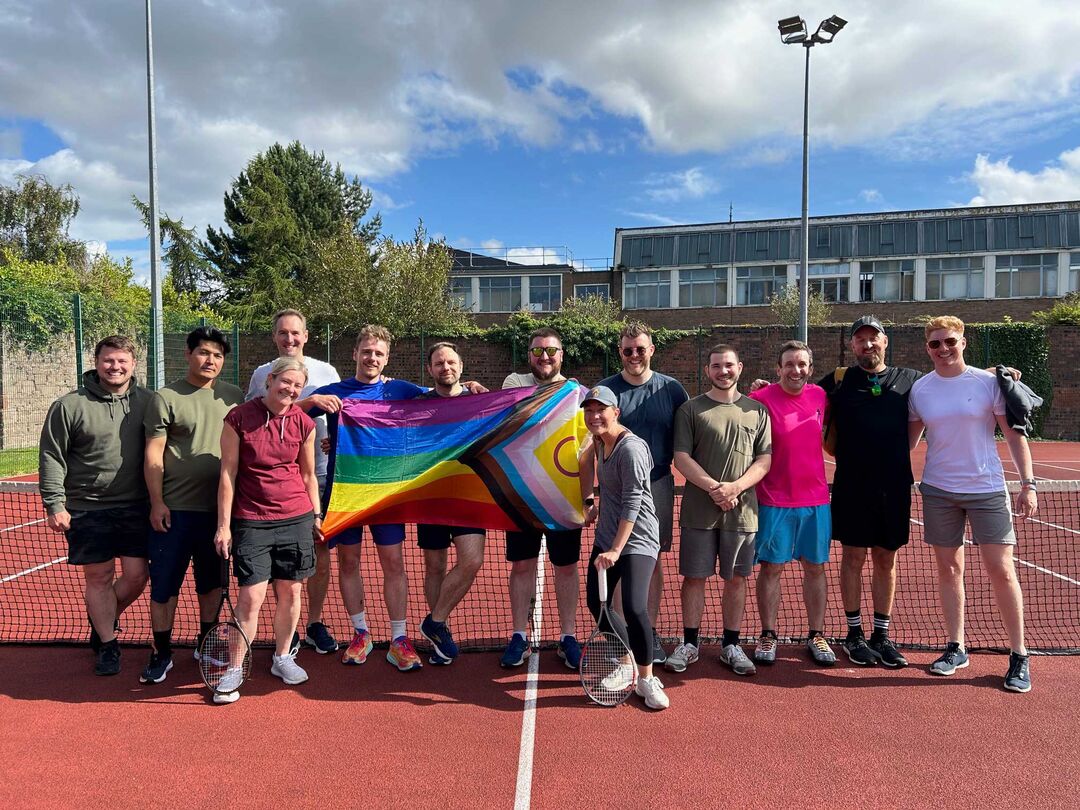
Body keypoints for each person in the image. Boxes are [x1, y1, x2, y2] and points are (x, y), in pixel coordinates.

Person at [908, 316, 1037, 693]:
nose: (943, 349)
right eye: (935, 344)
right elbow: (908, 442)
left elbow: (1015, 437)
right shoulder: (921, 389)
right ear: (927, 348)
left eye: (950, 341)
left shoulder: (988, 383)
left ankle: (1019, 655)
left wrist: (1027, 484)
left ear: (963, 342)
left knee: (1002, 570)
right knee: (949, 569)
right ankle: (956, 647)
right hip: (938, 490)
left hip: (987, 489)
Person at [308, 325, 429, 672]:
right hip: (344, 491)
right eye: (366, 351)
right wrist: (312, 401)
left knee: (394, 564)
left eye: (378, 353)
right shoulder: (334, 393)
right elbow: (289, 414)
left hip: (385, 494)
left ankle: (399, 639)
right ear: (355, 354)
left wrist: (472, 389)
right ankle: (360, 634)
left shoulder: (400, 390)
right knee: (349, 563)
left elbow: (445, 400)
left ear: (387, 358)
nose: (371, 357)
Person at [39, 336, 153, 676]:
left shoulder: (148, 402)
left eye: (122, 361)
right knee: (100, 577)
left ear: (133, 364)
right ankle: (107, 643)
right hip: (87, 508)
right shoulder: (69, 405)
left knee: (137, 576)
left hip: (136, 506)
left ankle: (103, 618)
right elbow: (51, 455)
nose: (115, 367)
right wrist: (54, 503)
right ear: (96, 361)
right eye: (108, 360)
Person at [214, 357, 321, 703]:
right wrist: (224, 526)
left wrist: (316, 516)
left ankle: (281, 657)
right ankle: (234, 668)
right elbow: (228, 474)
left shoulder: (304, 423)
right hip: (252, 520)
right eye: (284, 382)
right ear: (270, 379)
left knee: (291, 593)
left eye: (297, 387)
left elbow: (307, 475)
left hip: (296, 518)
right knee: (251, 597)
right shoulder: (238, 418)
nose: (289, 390)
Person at [141, 326, 244, 684]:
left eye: (217, 355)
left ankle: (206, 641)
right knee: (164, 586)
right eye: (203, 352)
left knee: (211, 585)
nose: (210, 360)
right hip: (174, 511)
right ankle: (162, 651)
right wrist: (157, 502)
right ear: (188, 354)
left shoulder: (234, 397)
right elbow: (154, 453)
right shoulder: (165, 396)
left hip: (220, 514)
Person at [821, 316, 918, 668]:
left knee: (886, 558)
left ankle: (881, 635)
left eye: (873, 339)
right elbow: (796, 393)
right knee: (853, 558)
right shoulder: (837, 381)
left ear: (885, 341)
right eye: (860, 340)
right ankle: (853, 634)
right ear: (852, 346)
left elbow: (953, 381)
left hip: (894, 487)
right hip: (852, 485)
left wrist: (996, 376)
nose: (867, 345)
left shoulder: (910, 380)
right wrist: (761, 386)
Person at [669, 344, 771, 676]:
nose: (722, 371)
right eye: (716, 366)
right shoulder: (689, 410)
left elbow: (764, 459)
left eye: (728, 365)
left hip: (742, 513)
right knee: (694, 578)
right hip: (699, 511)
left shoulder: (757, 411)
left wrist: (735, 488)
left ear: (739, 367)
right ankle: (690, 644)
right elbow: (681, 457)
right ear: (707, 370)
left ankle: (731, 645)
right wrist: (715, 488)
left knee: (737, 579)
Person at [247, 309, 341, 655]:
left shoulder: (326, 371)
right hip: (276, 480)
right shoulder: (262, 374)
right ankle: (286, 628)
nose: (290, 339)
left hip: (318, 472)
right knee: (278, 556)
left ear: (306, 336)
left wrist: (337, 439)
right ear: (275, 337)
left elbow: (345, 411)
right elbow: (256, 418)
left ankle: (314, 622)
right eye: (283, 333)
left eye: (295, 333)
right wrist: (310, 404)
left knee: (319, 549)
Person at [596, 322, 689, 665]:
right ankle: (621, 640)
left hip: (659, 482)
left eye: (640, 349)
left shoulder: (673, 389)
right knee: (617, 560)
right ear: (620, 353)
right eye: (627, 350)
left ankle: (647, 633)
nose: (634, 355)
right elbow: (591, 436)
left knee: (651, 559)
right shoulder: (606, 390)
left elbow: (692, 429)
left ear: (651, 350)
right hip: (616, 487)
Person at [500, 327, 585, 670]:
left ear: (562, 355)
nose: (545, 357)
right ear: (529, 356)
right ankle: (519, 635)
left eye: (551, 351)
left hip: (564, 496)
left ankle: (568, 637)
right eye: (537, 351)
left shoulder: (577, 393)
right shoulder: (514, 383)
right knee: (522, 566)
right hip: (520, 493)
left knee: (566, 567)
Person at [747, 341, 834, 666]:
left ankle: (817, 634)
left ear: (810, 369)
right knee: (772, 568)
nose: (795, 370)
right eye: (789, 364)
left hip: (815, 501)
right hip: (773, 501)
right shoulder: (760, 399)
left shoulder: (820, 396)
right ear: (778, 368)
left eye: (802, 365)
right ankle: (768, 634)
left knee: (815, 568)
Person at [581, 385, 668, 710]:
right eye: (589, 411)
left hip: (638, 539)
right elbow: (584, 462)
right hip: (607, 536)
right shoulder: (598, 441)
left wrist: (616, 550)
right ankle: (625, 661)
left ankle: (646, 678)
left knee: (633, 608)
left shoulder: (631, 448)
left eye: (600, 410)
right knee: (597, 603)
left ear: (616, 412)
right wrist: (590, 501)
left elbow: (632, 502)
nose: (594, 416)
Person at [415, 342, 486, 666]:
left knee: (471, 560)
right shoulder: (418, 404)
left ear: (461, 365)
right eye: (439, 363)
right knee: (434, 567)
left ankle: (435, 621)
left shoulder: (476, 399)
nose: (446, 367)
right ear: (430, 369)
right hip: (429, 496)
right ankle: (440, 637)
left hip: (468, 494)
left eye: (451, 362)